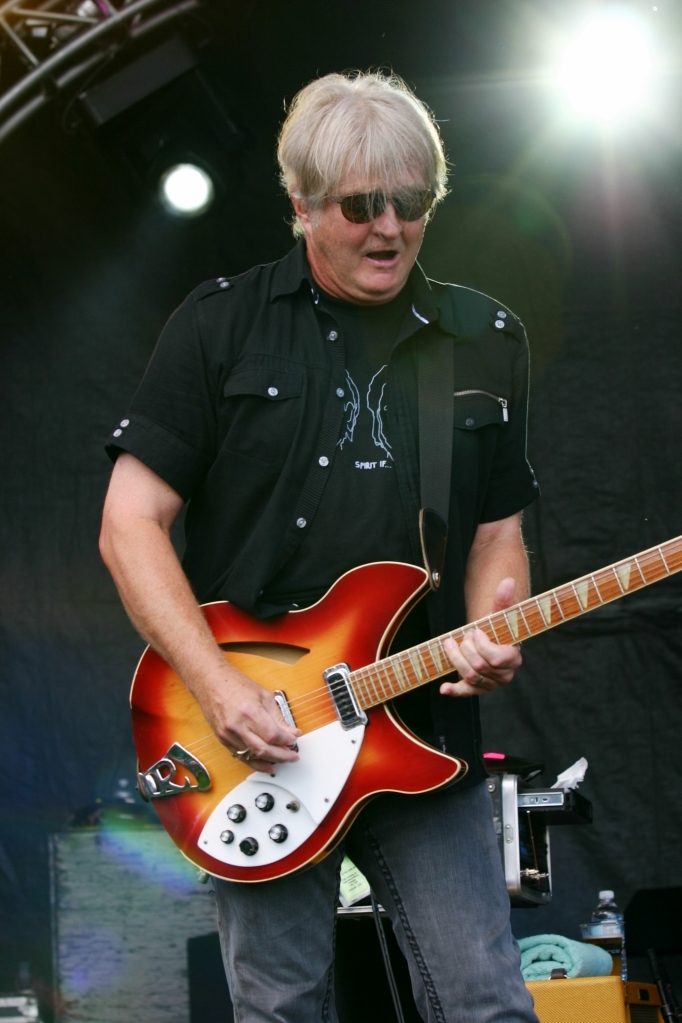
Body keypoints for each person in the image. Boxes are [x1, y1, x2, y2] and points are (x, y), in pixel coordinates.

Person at [100, 71, 540, 1023]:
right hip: (260, 739)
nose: (390, 228)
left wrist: (495, 626)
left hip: (422, 731)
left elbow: (498, 535)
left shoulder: (485, 337)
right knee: (283, 1009)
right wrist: (216, 684)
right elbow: (128, 523)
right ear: (300, 204)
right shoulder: (219, 324)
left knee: (487, 1004)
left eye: (411, 202)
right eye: (360, 205)